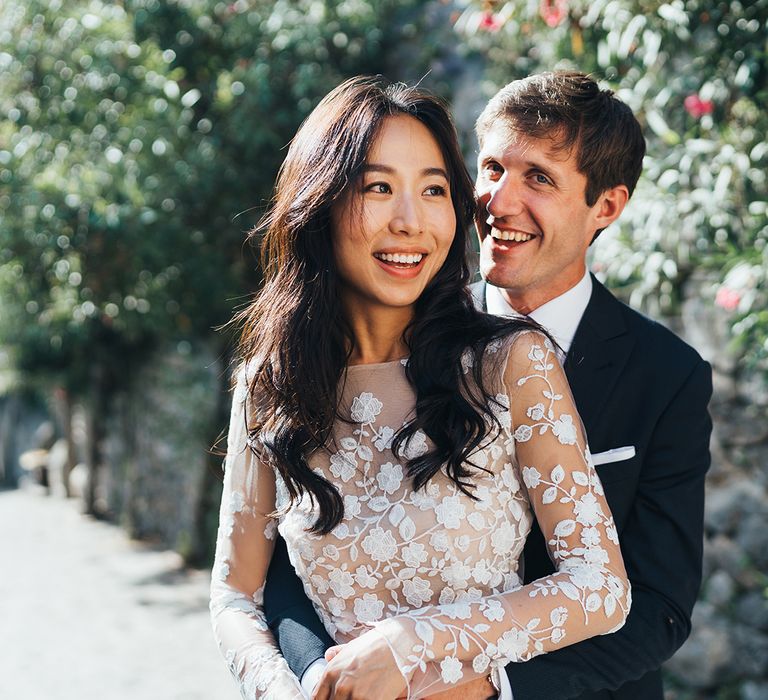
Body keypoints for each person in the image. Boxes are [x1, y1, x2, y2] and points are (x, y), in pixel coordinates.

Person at [263, 72, 713, 700]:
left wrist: (487, 685)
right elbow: (291, 545)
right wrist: (319, 676)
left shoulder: (668, 377)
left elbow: (658, 604)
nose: (499, 201)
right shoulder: (393, 333)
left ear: (606, 207)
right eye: (493, 168)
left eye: (539, 178)